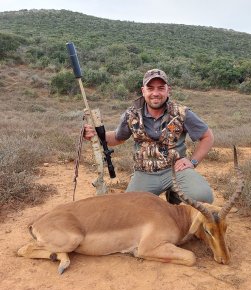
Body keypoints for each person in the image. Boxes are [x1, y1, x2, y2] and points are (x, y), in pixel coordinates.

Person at [84, 69, 214, 204]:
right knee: (129, 209)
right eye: (150, 88)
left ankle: (174, 195)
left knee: (203, 198)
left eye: (161, 88)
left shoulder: (181, 113)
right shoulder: (131, 114)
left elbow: (207, 136)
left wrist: (192, 161)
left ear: (168, 90)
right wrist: (96, 134)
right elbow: (118, 138)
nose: (155, 93)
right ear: (143, 91)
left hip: (175, 170)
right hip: (144, 173)